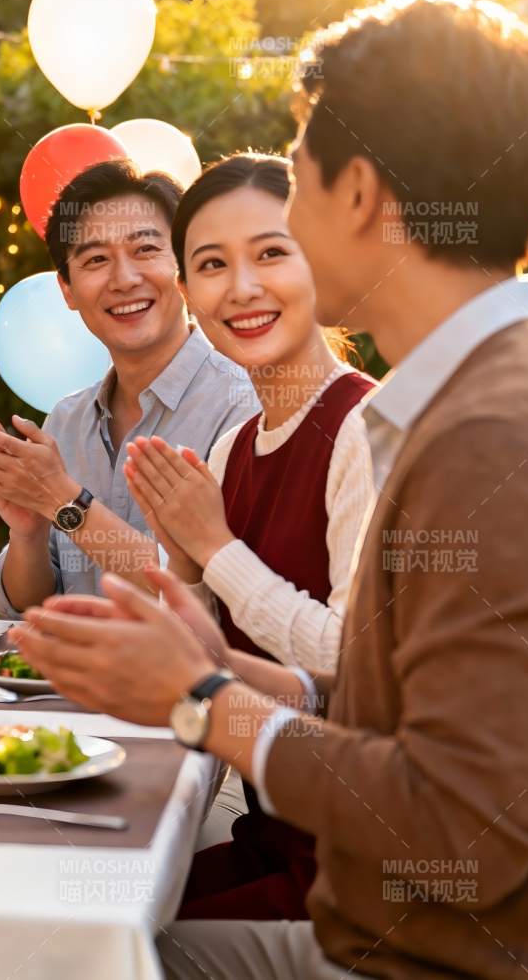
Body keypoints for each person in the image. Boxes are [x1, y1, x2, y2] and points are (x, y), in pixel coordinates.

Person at [11, 0, 528, 979]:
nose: (267, 246)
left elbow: (467, 832)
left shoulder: (486, 430)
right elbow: (386, 711)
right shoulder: (465, 399)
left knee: (56, 950)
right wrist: (211, 660)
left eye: (293, 182)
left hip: (413, 949)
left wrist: (203, 694)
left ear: (359, 193)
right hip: (372, 909)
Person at [127, 152, 377, 920]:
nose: (241, 287)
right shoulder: (237, 445)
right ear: (188, 294)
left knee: (103, 949)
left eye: (271, 252)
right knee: (80, 906)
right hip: (269, 833)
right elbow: (205, 648)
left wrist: (218, 548)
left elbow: (350, 662)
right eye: (211, 264)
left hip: (349, 869)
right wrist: (180, 556)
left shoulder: (366, 427)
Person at [0, 161, 257, 615]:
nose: (124, 279)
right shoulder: (66, 420)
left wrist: (64, 501)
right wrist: (28, 531)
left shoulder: (243, 407)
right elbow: (25, 605)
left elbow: (220, 596)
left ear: (185, 264)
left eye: (146, 249)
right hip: (63, 685)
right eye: (95, 259)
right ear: (68, 290)